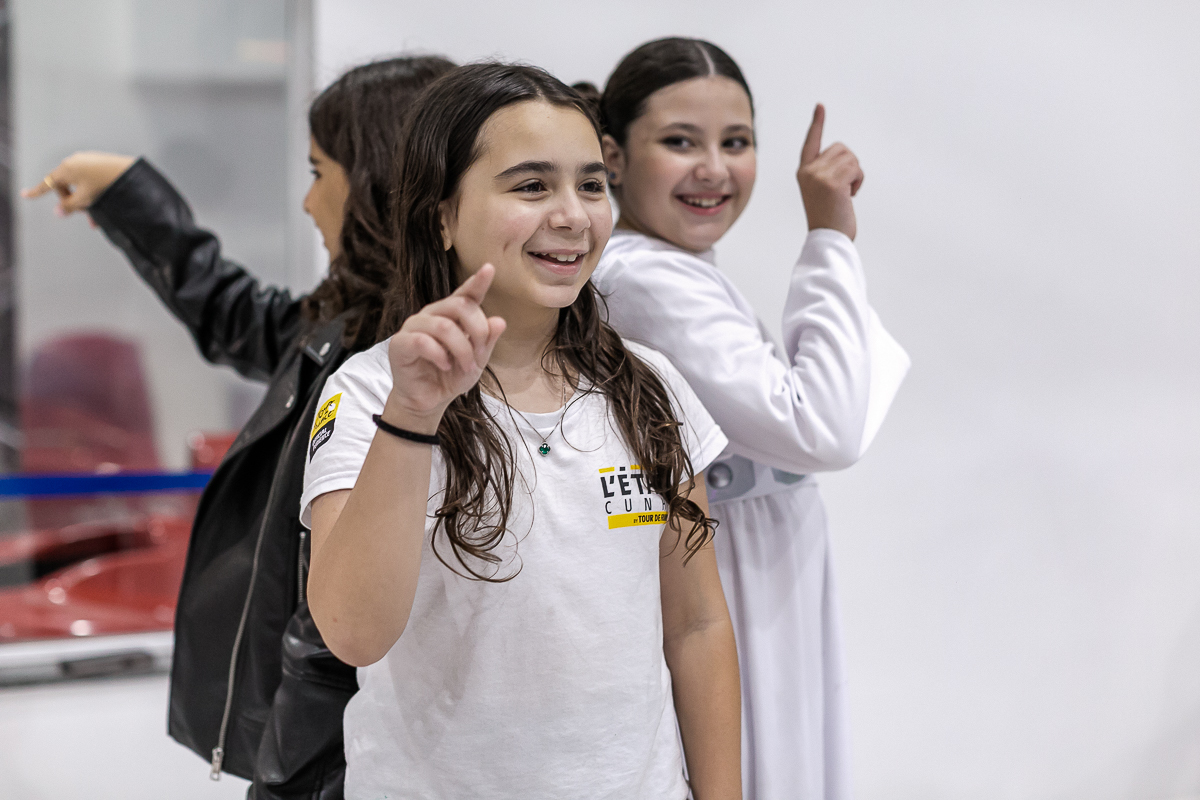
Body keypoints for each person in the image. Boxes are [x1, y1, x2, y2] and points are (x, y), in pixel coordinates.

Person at [301, 61, 740, 799]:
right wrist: (414, 416)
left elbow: (696, 626)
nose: (573, 215)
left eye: (591, 184)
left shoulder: (651, 389)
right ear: (441, 214)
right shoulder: (371, 390)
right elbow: (353, 632)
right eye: (532, 186)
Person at [22, 55, 456, 798]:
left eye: (322, 172)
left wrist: (288, 777)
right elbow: (240, 316)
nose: (308, 202)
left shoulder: (407, 371)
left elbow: (336, 640)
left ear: (378, 183)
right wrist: (130, 195)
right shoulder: (348, 332)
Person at [578, 38, 911, 800]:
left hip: (756, 564)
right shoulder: (645, 278)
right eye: (679, 142)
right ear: (614, 155)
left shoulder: (672, 270)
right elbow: (821, 427)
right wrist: (829, 234)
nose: (714, 170)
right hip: (729, 578)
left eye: (736, 142)